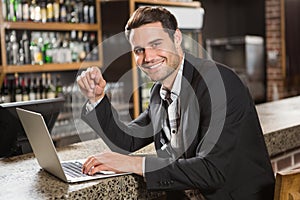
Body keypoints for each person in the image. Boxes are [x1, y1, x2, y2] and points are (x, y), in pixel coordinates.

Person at [76, 6, 275, 200]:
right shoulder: (158, 92)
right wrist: (96, 98)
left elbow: (212, 170)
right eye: (139, 50)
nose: (148, 57)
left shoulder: (218, 82)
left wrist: (134, 164)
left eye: (156, 44)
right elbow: (126, 140)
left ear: (177, 38)